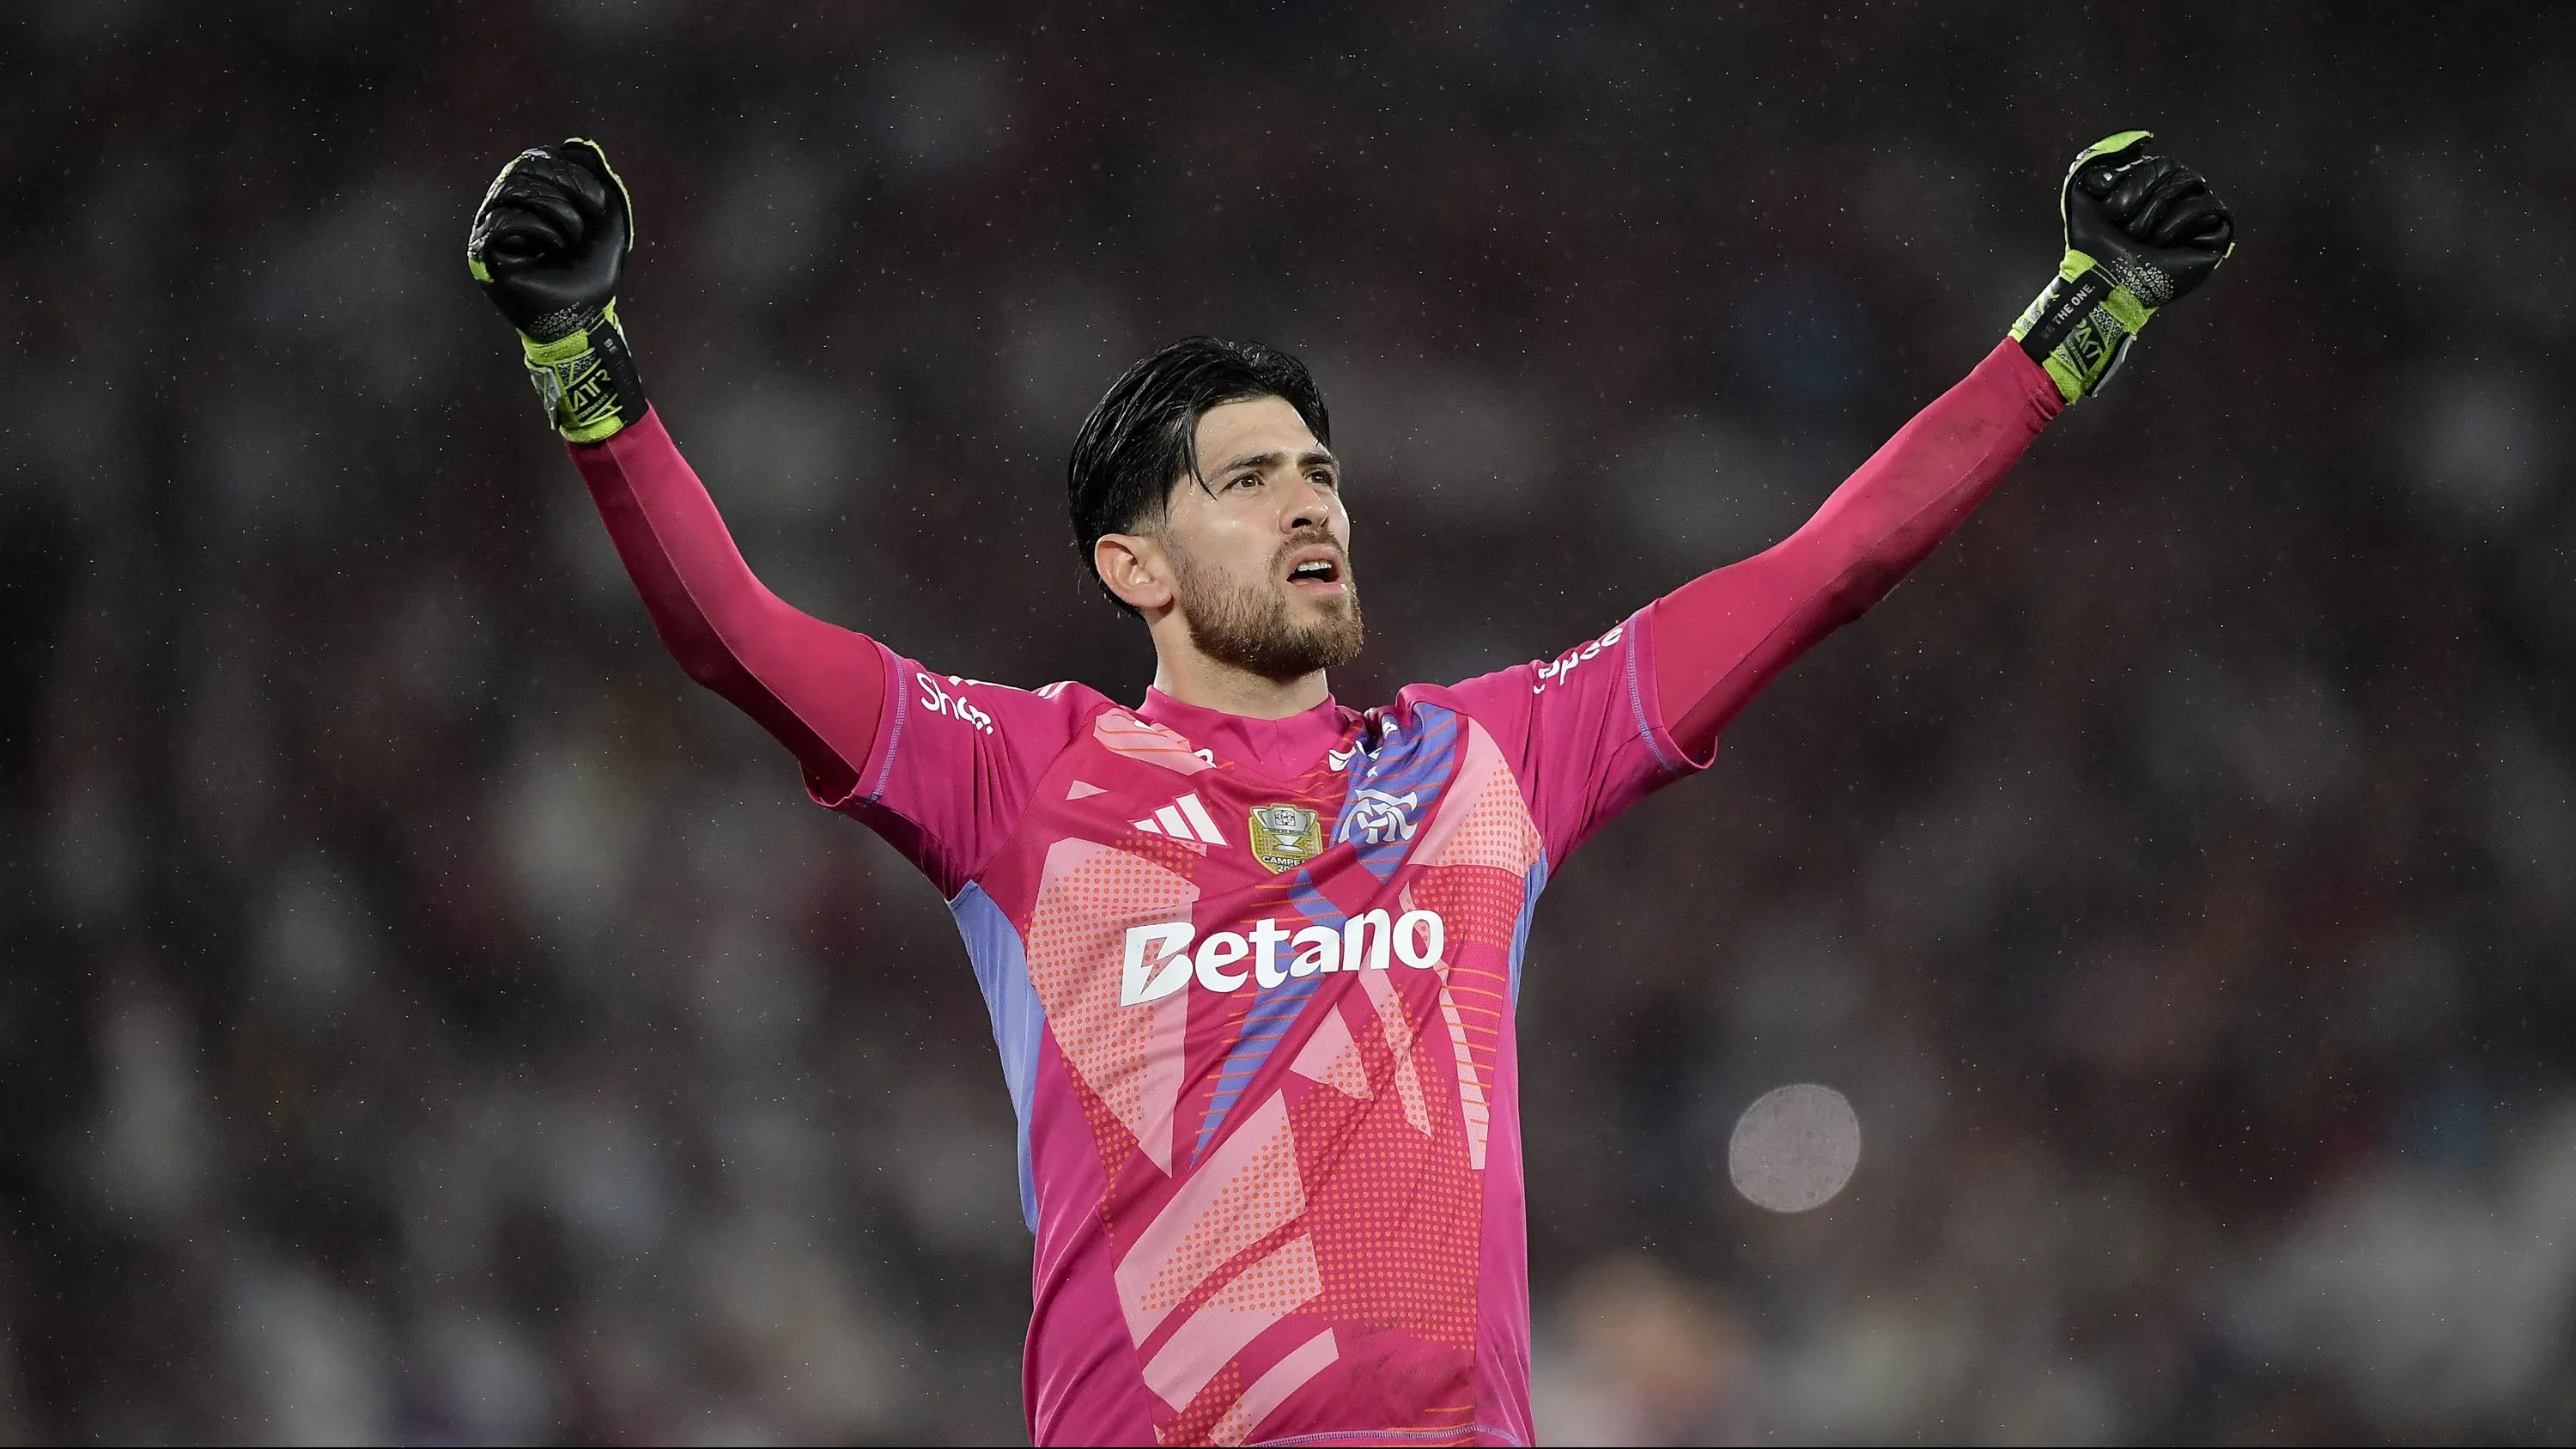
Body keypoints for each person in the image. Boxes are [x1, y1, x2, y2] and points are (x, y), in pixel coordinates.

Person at [463, 130, 2231, 1447]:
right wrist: (583, 368)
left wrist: (2078, 322)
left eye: (1322, 468)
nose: (1312, 502)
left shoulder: (1486, 763)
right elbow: (732, 635)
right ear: (1133, 565)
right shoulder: (1019, 783)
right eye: (1247, 480)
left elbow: (1822, 566)